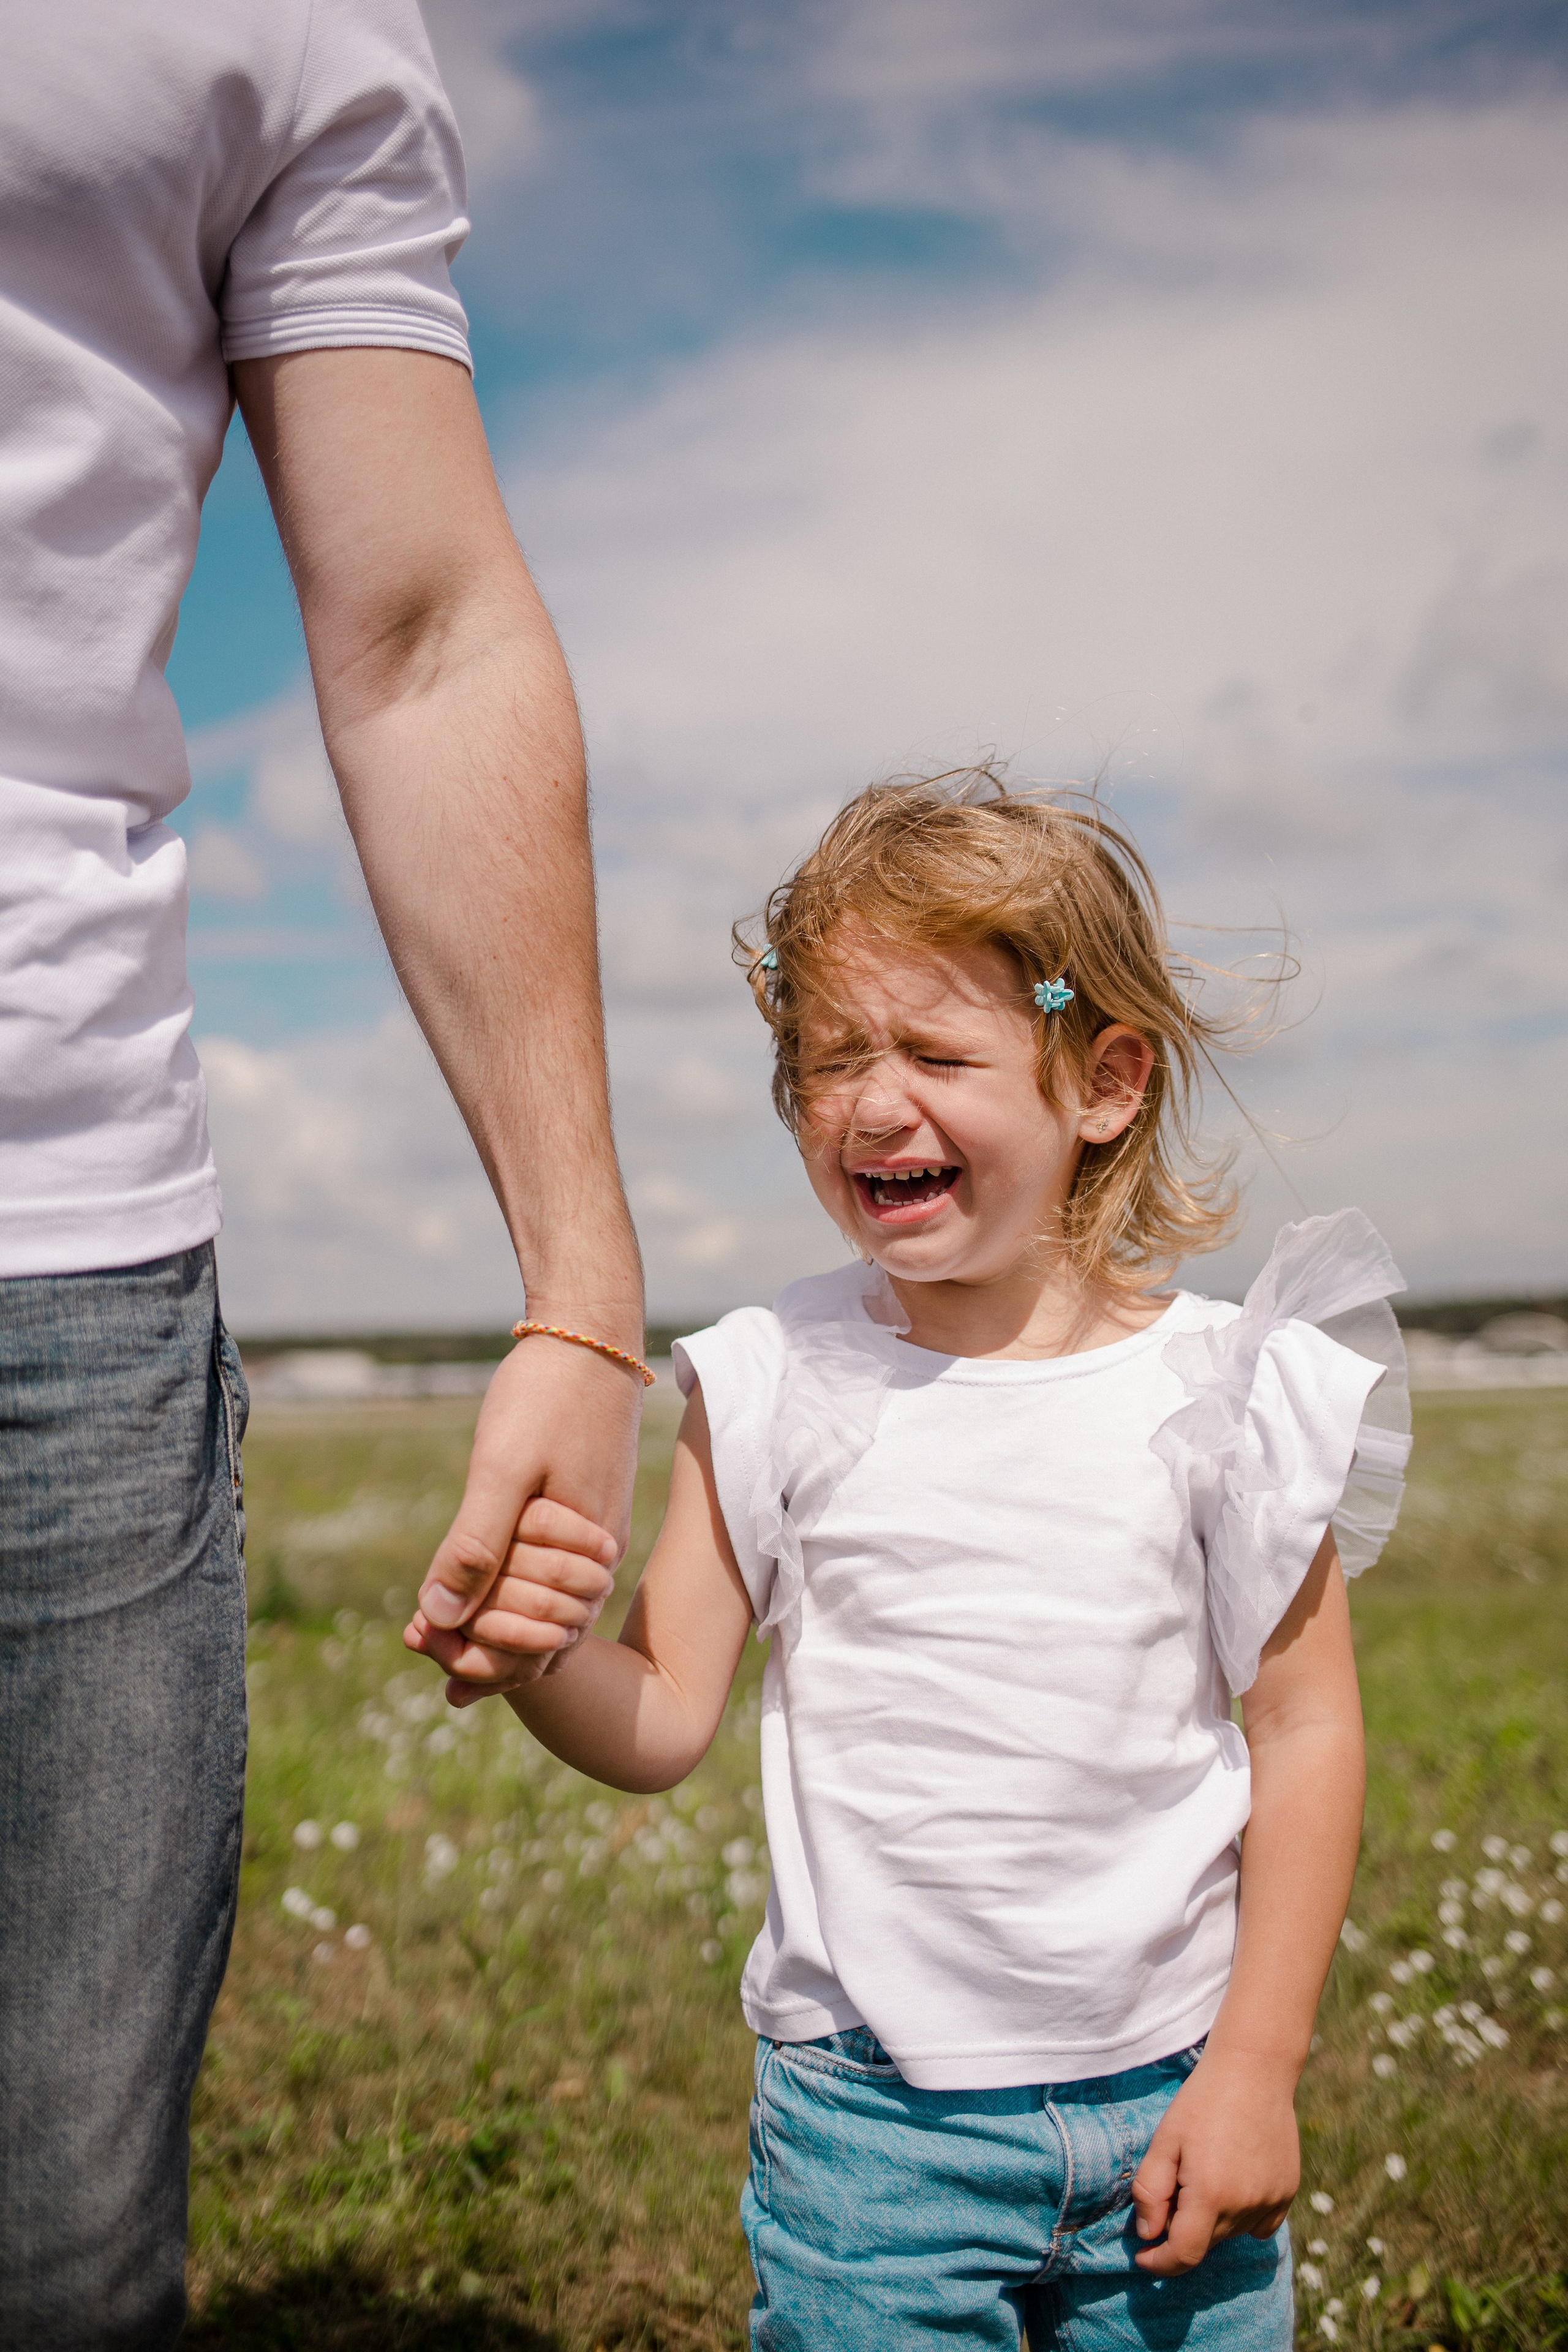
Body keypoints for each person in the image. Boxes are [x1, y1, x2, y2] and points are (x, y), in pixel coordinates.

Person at [410, 772, 1413, 2350]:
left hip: (1177, 2083)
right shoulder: (770, 1381)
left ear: (1106, 1082)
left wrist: (1259, 2069)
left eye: (939, 1055)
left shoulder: (1228, 1390)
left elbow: (1306, 1734)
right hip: (873, 2140)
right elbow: (668, 1712)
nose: (875, 1105)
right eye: (829, 1061)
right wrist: (540, 1652)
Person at [0, 4, 643, 2343]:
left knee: (58, 2249)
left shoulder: (290, 23)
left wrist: (583, 1288)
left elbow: (420, 623)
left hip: (56, 1250)